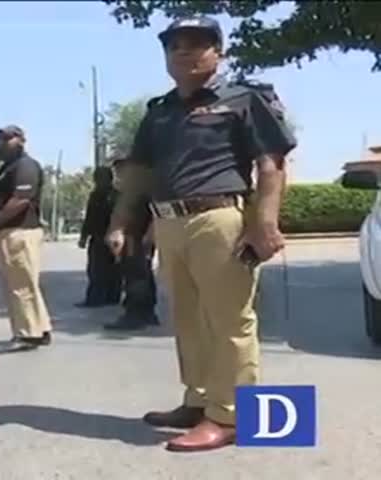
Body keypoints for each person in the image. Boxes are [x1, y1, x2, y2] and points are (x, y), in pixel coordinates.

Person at [105, 16, 295, 452]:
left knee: (230, 321)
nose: (184, 51)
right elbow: (139, 172)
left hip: (219, 220)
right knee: (188, 319)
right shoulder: (159, 112)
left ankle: (230, 417)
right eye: (174, 45)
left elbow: (272, 163)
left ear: (218, 52)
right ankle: (199, 399)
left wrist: (264, 223)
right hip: (168, 223)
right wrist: (120, 222)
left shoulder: (244, 98)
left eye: (197, 43)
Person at [0, 124, 53, 354]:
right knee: (25, 284)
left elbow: (21, 200)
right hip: (8, 232)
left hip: (18, 232)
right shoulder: (7, 168)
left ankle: (26, 335)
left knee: (19, 287)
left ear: (20, 140)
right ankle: (40, 328)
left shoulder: (25, 166)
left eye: (5, 139)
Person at [103, 156, 159, 330]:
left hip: (136, 237)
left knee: (137, 276)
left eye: (121, 170)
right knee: (138, 274)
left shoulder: (141, 191)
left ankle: (137, 313)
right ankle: (145, 312)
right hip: (132, 237)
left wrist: (150, 236)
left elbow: (154, 214)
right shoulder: (127, 191)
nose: (119, 174)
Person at [76, 166, 122, 308]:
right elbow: (89, 218)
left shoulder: (115, 196)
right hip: (98, 236)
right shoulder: (96, 195)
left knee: (108, 269)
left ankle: (107, 297)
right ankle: (101, 297)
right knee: (97, 269)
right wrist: (84, 236)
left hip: (110, 236)